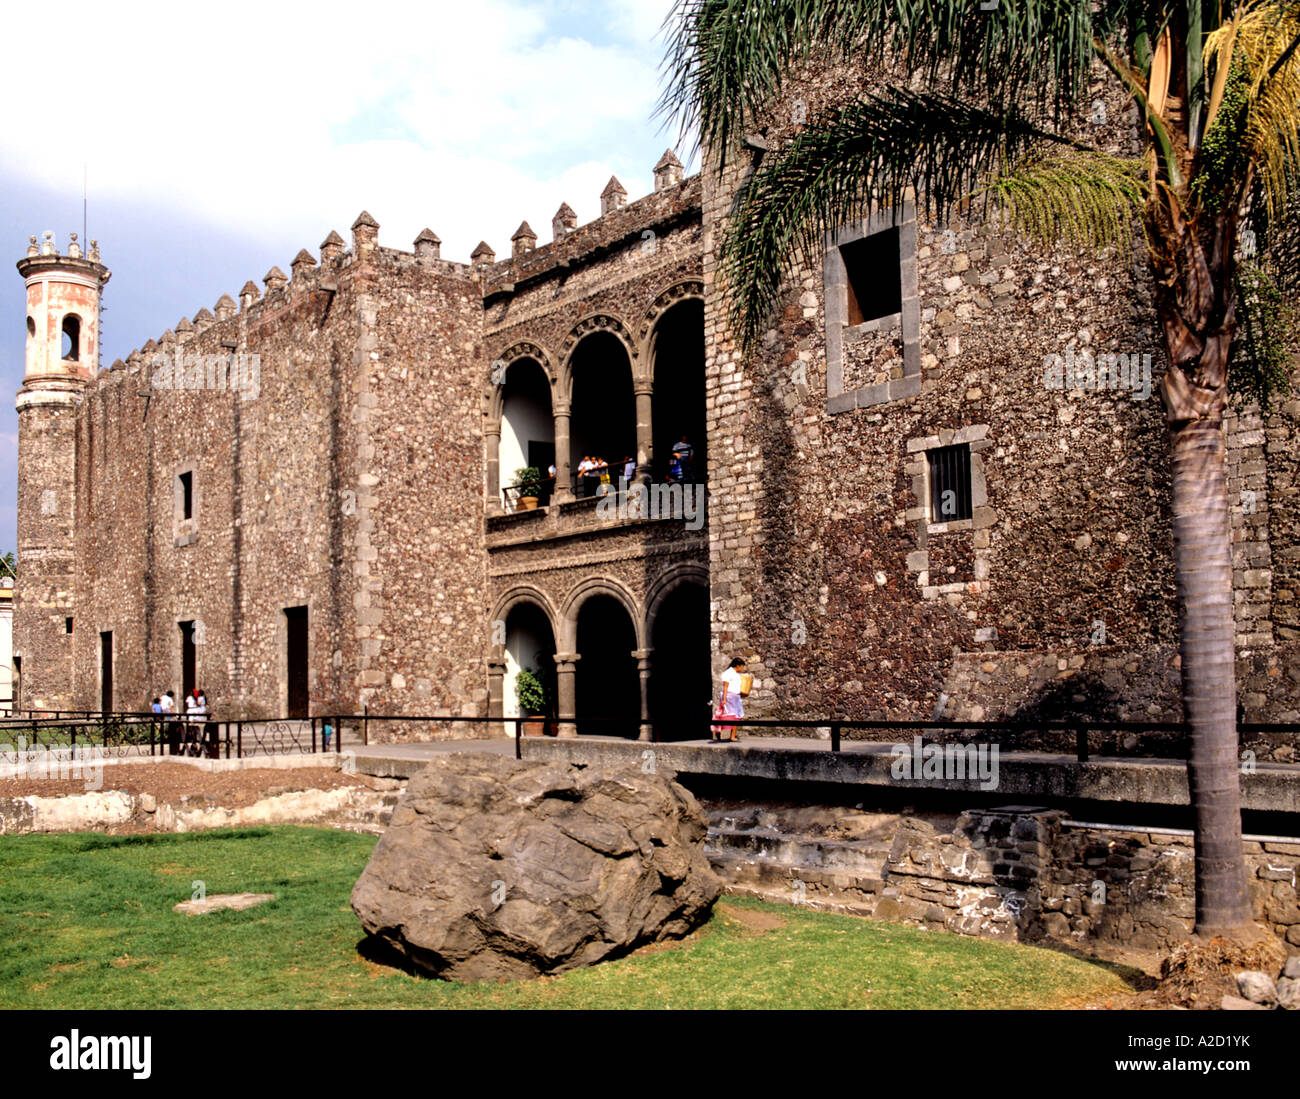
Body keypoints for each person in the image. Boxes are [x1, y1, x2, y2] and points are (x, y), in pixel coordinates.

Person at [713, 657, 746, 743]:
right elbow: (726, 687)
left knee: (737, 716)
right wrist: (724, 699)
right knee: (728, 716)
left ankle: (732, 736)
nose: (742, 668)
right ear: (738, 665)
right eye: (741, 666)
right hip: (729, 696)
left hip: (736, 697)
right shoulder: (728, 673)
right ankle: (719, 734)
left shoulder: (736, 674)